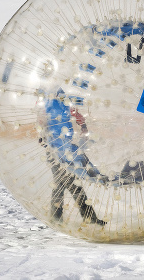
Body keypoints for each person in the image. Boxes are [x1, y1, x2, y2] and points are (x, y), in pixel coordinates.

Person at [39, 88, 106, 226]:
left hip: (66, 149)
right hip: (54, 150)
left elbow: (75, 113)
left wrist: (84, 126)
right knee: (63, 184)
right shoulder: (48, 101)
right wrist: (42, 136)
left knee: (65, 184)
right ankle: (66, 219)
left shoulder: (60, 101)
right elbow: (41, 118)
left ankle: (59, 219)